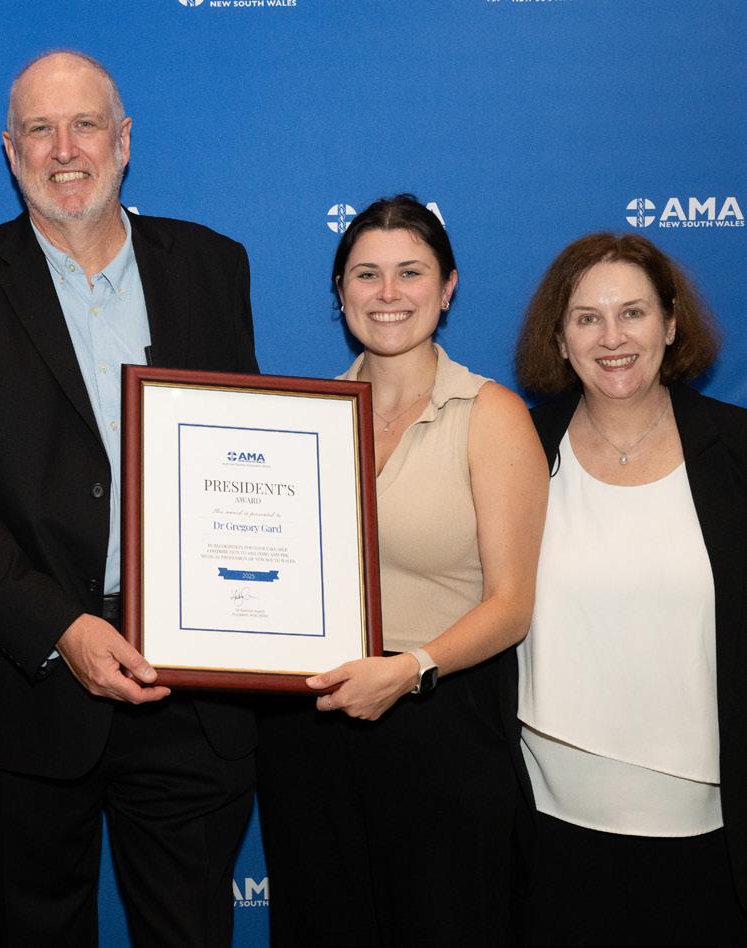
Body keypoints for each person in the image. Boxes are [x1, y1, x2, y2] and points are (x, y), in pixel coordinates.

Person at [0, 50, 259, 947]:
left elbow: (242, 454)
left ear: (122, 141)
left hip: (190, 687)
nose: (64, 150)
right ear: (10, 150)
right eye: (39, 130)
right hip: (25, 685)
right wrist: (60, 626)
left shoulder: (212, 266)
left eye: (84, 125)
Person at [256, 195, 547, 946]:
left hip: (438, 718)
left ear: (447, 288)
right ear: (340, 292)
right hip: (311, 725)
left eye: (410, 272)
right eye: (366, 274)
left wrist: (410, 669)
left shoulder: (490, 414)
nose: (387, 293)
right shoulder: (302, 416)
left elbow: (512, 604)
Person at [512, 232, 747, 945]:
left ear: (670, 324)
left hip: (709, 831)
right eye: (586, 318)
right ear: (559, 339)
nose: (611, 338)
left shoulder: (736, 449)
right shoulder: (516, 445)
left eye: (633, 313)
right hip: (547, 824)